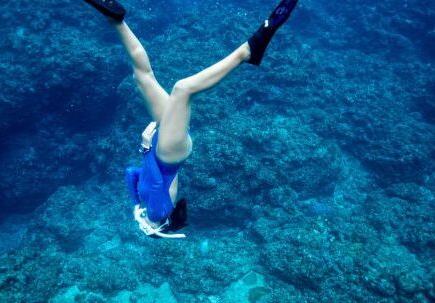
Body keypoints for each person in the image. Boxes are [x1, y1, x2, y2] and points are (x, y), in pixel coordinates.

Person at [83, 0, 299, 238]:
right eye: (147, 229)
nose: (143, 224)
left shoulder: (147, 206)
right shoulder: (157, 213)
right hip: (167, 153)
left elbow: (131, 173)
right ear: (158, 228)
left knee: (142, 78)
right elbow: (154, 182)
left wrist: (136, 202)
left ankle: (117, 20)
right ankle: (246, 52)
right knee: (183, 89)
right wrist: (145, 149)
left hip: (163, 150)